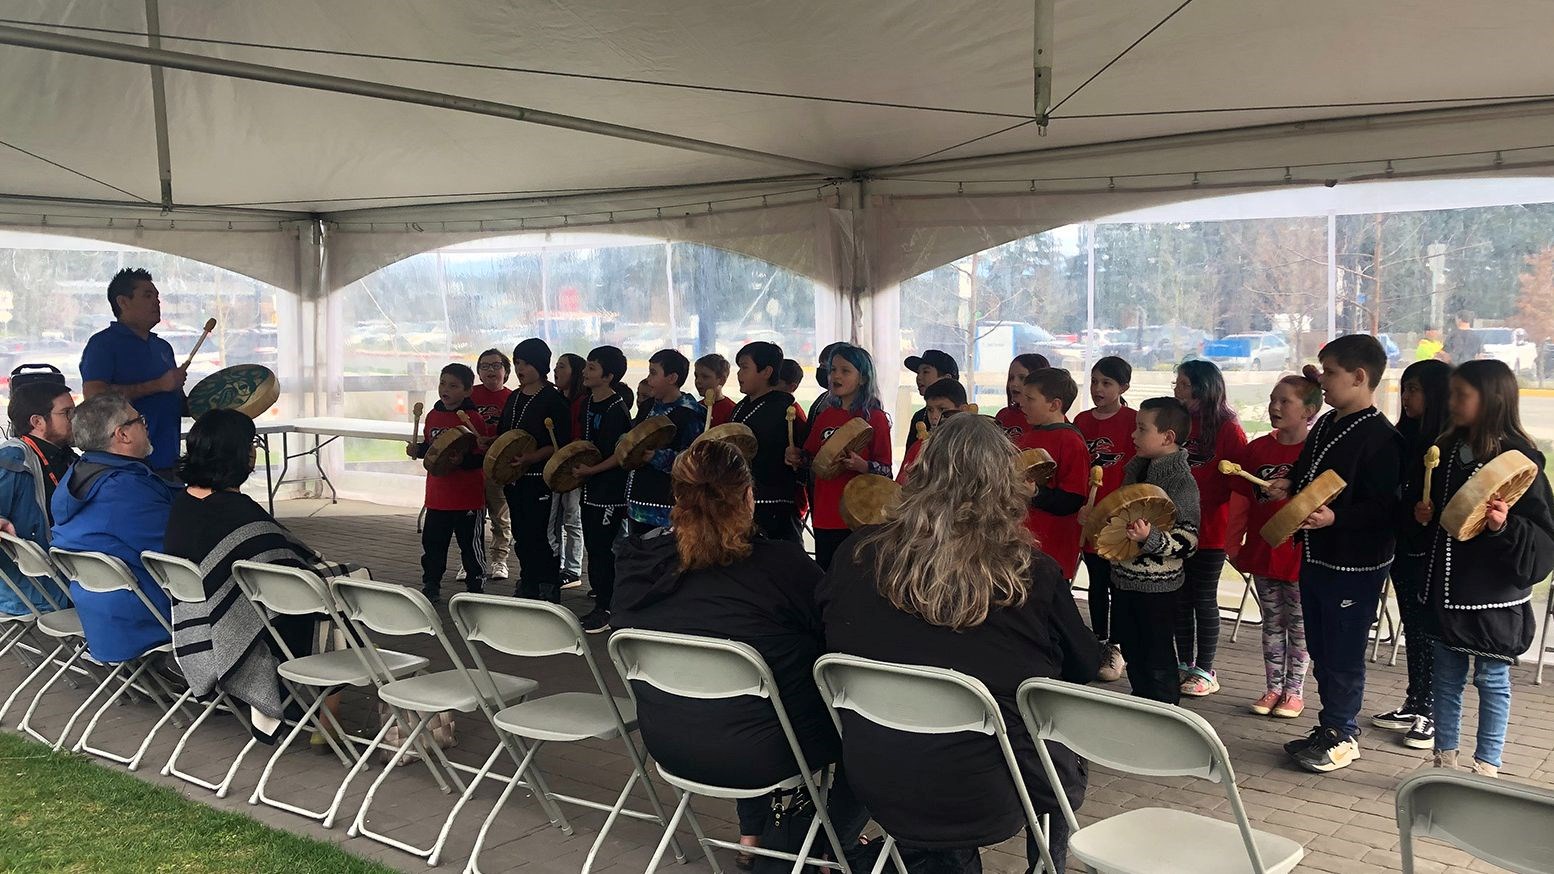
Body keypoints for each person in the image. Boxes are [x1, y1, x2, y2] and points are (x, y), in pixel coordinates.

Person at [819, 414, 1100, 873]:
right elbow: (1083, 665)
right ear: (1006, 487)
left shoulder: (858, 554)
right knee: (1056, 733)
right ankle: (1048, 865)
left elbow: (827, 634)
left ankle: (863, 851)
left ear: (920, 475)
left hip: (874, 768)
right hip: (990, 788)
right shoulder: (1031, 571)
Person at [612, 440, 869, 863]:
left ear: (676, 498)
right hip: (766, 752)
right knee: (867, 728)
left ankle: (752, 834)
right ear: (749, 497)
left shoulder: (636, 566)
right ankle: (828, 842)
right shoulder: (784, 567)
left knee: (743, 690)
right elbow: (835, 640)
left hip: (670, 741)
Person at [164, 409, 356, 741]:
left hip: (198, 618)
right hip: (243, 626)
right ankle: (328, 716)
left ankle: (304, 706)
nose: (255, 450)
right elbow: (289, 563)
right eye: (251, 442)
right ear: (237, 452)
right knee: (337, 599)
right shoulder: (237, 511)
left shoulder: (182, 503)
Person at [1266, 335, 1402, 774]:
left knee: (1343, 649)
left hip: (1355, 562)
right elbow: (1310, 473)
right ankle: (1328, 726)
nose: (1321, 380)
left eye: (1330, 373)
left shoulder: (1382, 438)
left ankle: (1344, 734)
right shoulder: (1326, 424)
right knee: (1321, 647)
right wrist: (1291, 484)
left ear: (1360, 378)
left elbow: (1386, 509)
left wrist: (1335, 520)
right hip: (1318, 554)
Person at [1414, 360, 1554, 777]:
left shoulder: (1520, 460)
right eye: (1452, 394)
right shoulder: (1447, 449)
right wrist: (1421, 514)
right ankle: (1445, 760)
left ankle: (1487, 765)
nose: (1452, 403)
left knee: (1492, 681)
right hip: (1446, 591)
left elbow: (1543, 532)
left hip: (1491, 597)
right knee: (1445, 678)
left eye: (1462, 395)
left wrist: (1504, 526)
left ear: (1492, 399)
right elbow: (1442, 517)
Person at [49, 393, 175, 663]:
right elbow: (178, 550)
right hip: (144, 619)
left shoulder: (77, 474)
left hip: (98, 615)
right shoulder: (124, 489)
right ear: (123, 435)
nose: (145, 425)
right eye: (139, 420)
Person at [1227, 375, 1321, 720]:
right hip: (1265, 550)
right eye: (1272, 400)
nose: (1275, 407)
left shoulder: (1315, 452)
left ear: (1309, 410)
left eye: (1285, 402)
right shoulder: (1256, 450)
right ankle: (1272, 687)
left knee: (1299, 625)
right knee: (1271, 623)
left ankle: (1294, 691)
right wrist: (1232, 544)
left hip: (1300, 555)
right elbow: (1240, 501)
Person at [1372, 359, 1452, 750]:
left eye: (1415, 389)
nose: (1406, 397)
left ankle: (1431, 712)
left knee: (1428, 629)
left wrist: (1431, 512)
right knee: (1412, 627)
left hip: (1433, 552)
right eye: (1404, 388)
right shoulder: (1403, 438)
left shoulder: (1448, 444)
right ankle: (1415, 698)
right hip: (1402, 547)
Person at [1107, 397, 1201, 705]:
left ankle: (1165, 710)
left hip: (1158, 589)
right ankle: (1142, 704)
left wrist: (1151, 538)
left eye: (1141, 428)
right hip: (1124, 581)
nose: (1133, 435)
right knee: (1133, 649)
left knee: (1157, 653)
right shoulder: (1135, 469)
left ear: (1167, 437)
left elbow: (1189, 540)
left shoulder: (1181, 483)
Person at [1172, 360, 1247, 697]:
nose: (1177, 389)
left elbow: (1240, 481)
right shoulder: (1180, 423)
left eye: (1184, 384)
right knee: (1180, 599)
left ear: (1203, 388)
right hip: (1177, 527)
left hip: (1212, 529)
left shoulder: (1228, 429)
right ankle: (1184, 663)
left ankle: (1206, 667)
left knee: (1203, 598)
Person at [788, 343, 891, 570]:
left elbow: (886, 470)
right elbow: (812, 459)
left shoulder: (875, 418)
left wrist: (862, 465)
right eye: (833, 370)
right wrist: (797, 457)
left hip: (859, 515)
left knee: (854, 579)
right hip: (825, 512)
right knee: (827, 573)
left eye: (845, 371)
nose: (836, 375)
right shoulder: (825, 416)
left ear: (862, 379)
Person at [79, 268, 187, 479]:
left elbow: (176, 402)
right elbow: (94, 397)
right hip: (127, 465)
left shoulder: (163, 347)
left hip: (168, 460)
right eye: (147, 296)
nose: (157, 302)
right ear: (123, 302)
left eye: (157, 297)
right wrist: (158, 385)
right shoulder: (103, 344)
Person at [406, 363, 493, 602]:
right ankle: (431, 584)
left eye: (453, 386)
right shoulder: (433, 415)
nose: (446, 389)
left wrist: (462, 460)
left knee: (471, 545)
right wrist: (418, 449)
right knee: (433, 544)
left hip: (467, 497)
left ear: (467, 391)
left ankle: (476, 586)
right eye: (443, 383)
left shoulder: (473, 418)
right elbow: (432, 450)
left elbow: (481, 457)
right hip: (437, 496)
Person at [1074, 356, 1135, 682]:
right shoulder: (1081, 420)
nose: (1098, 388)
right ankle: (1099, 641)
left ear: (1123, 387)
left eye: (1107, 383)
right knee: (1096, 582)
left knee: (1119, 583)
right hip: (1089, 516)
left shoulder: (1133, 421)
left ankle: (1119, 644)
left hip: (1121, 519)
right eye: (1095, 381)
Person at [497, 338, 573, 602]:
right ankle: (528, 578)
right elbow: (503, 436)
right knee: (521, 533)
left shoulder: (553, 399)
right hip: (515, 479)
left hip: (540, 479)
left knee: (543, 534)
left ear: (540, 365)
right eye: (517, 362)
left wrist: (532, 457)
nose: (521, 368)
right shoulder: (513, 398)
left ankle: (549, 582)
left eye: (526, 363)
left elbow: (560, 443)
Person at [567, 345, 634, 633]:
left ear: (608, 376)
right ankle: (602, 603)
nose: (585, 371)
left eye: (592, 368)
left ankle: (609, 608)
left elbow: (620, 455)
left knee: (605, 550)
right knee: (595, 548)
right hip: (590, 487)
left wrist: (591, 471)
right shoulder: (586, 402)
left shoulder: (616, 409)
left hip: (609, 491)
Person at [0, 381, 77, 615]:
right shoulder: (13, 459)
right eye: (67, 413)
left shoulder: (67, 457)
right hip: (36, 588)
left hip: (65, 573)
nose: (75, 420)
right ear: (37, 422)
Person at [730, 341, 808, 542]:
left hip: (774, 504)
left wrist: (798, 458)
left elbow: (806, 458)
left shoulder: (785, 408)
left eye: (745, 368)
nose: (739, 374)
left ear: (766, 372)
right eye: (739, 368)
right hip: (740, 500)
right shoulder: (739, 408)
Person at [1017, 368, 1089, 582]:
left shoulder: (1070, 441)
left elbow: (1072, 499)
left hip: (1052, 544)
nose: (1022, 403)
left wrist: (1035, 493)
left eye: (1030, 398)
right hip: (1024, 540)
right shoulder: (1029, 435)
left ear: (1054, 404)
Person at [625, 349, 704, 536]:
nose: (648, 379)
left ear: (672, 378)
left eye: (653, 373)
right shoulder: (647, 406)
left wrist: (656, 456)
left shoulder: (690, 414)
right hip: (638, 503)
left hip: (668, 506)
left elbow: (693, 460)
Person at [472, 348, 515, 581]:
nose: (491, 370)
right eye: (485, 366)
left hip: (499, 466)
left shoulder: (512, 398)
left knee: (500, 516)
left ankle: (499, 560)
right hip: (473, 466)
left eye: (496, 365)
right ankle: (471, 559)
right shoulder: (469, 397)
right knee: (472, 516)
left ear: (506, 372)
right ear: (478, 372)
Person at [550, 353, 587, 587]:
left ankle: (573, 569)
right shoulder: (555, 399)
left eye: (562, 367)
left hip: (575, 467)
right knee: (555, 519)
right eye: (555, 366)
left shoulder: (583, 402)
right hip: (556, 466)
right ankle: (557, 563)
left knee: (573, 517)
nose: (556, 371)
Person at [896, 378, 966, 485]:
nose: (934, 417)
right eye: (930, 410)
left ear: (963, 410)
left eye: (942, 409)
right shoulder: (920, 447)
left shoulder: (973, 447)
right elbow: (899, 486)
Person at [902, 349, 959, 451]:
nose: (919, 377)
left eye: (926, 372)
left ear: (947, 378)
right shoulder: (919, 417)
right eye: (918, 373)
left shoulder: (966, 418)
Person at [996, 353, 1051, 442]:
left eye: (1022, 378)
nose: (1014, 383)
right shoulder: (1003, 415)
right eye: (1011, 378)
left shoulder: (1050, 418)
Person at [693, 353, 736, 426]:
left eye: (705, 377)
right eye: (696, 376)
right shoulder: (696, 408)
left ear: (722, 380)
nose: (698, 381)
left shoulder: (731, 410)